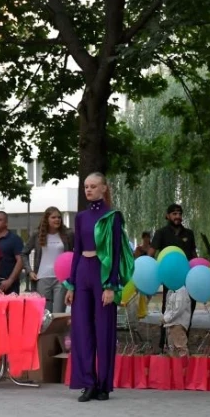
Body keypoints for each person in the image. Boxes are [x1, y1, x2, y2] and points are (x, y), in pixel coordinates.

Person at [63, 172, 134, 402]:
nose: (89, 190)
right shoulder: (81, 217)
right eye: (86, 187)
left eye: (93, 186)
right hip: (83, 269)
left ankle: (104, 384)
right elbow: (76, 252)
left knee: (104, 329)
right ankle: (88, 383)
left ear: (104, 188)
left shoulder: (112, 216)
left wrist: (111, 285)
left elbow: (114, 253)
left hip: (102, 275)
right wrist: (71, 284)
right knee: (82, 329)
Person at [150, 203, 198, 351]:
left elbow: (193, 255)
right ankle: (164, 344)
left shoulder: (189, 233)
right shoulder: (161, 233)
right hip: (169, 279)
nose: (177, 216)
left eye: (179, 214)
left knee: (187, 309)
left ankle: (183, 343)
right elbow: (151, 253)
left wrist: (197, 271)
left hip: (187, 279)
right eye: (174, 214)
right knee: (168, 310)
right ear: (168, 216)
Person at [21, 206, 74, 313]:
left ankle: (58, 330)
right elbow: (24, 253)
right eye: (53, 217)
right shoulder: (37, 234)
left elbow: (74, 254)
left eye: (59, 217)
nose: (57, 220)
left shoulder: (68, 234)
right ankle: (46, 331)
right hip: (42, 278)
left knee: (58, 313)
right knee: (45, 314)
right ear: (46, 219)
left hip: (62, 279)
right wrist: (29, 271)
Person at [0, 211, 25, 294]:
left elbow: (20, 261)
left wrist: (10, 280)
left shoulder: (14, 239)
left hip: (9, 283)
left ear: (6, 223)